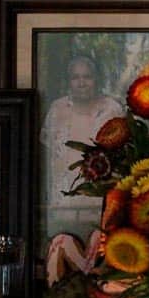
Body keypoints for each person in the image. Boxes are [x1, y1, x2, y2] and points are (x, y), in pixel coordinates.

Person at [40, 55, 123, 237]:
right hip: (62, 205)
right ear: (69, 82)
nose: (81, 83)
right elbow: (48, 157)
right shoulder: (57, 109)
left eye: (87, 77)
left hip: (101, 203)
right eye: (75, 77)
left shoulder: (111, 109)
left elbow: (122, 157)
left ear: (96, 79)